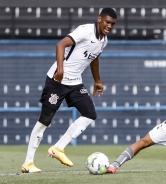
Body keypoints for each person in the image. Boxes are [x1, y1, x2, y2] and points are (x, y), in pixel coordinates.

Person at [21, 8, 117, 173]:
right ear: (99, 19)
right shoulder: (85, 30)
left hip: (75, 83)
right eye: (107, 22)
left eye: (112, 24)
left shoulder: (103, 40)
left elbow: (94, 58)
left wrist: (98, 80)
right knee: (45, 120)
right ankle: (28, 163)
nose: (109, 26)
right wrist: (60, 69)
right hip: (56, 80)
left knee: (90, 114)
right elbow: (60, 45)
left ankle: (58, 148)